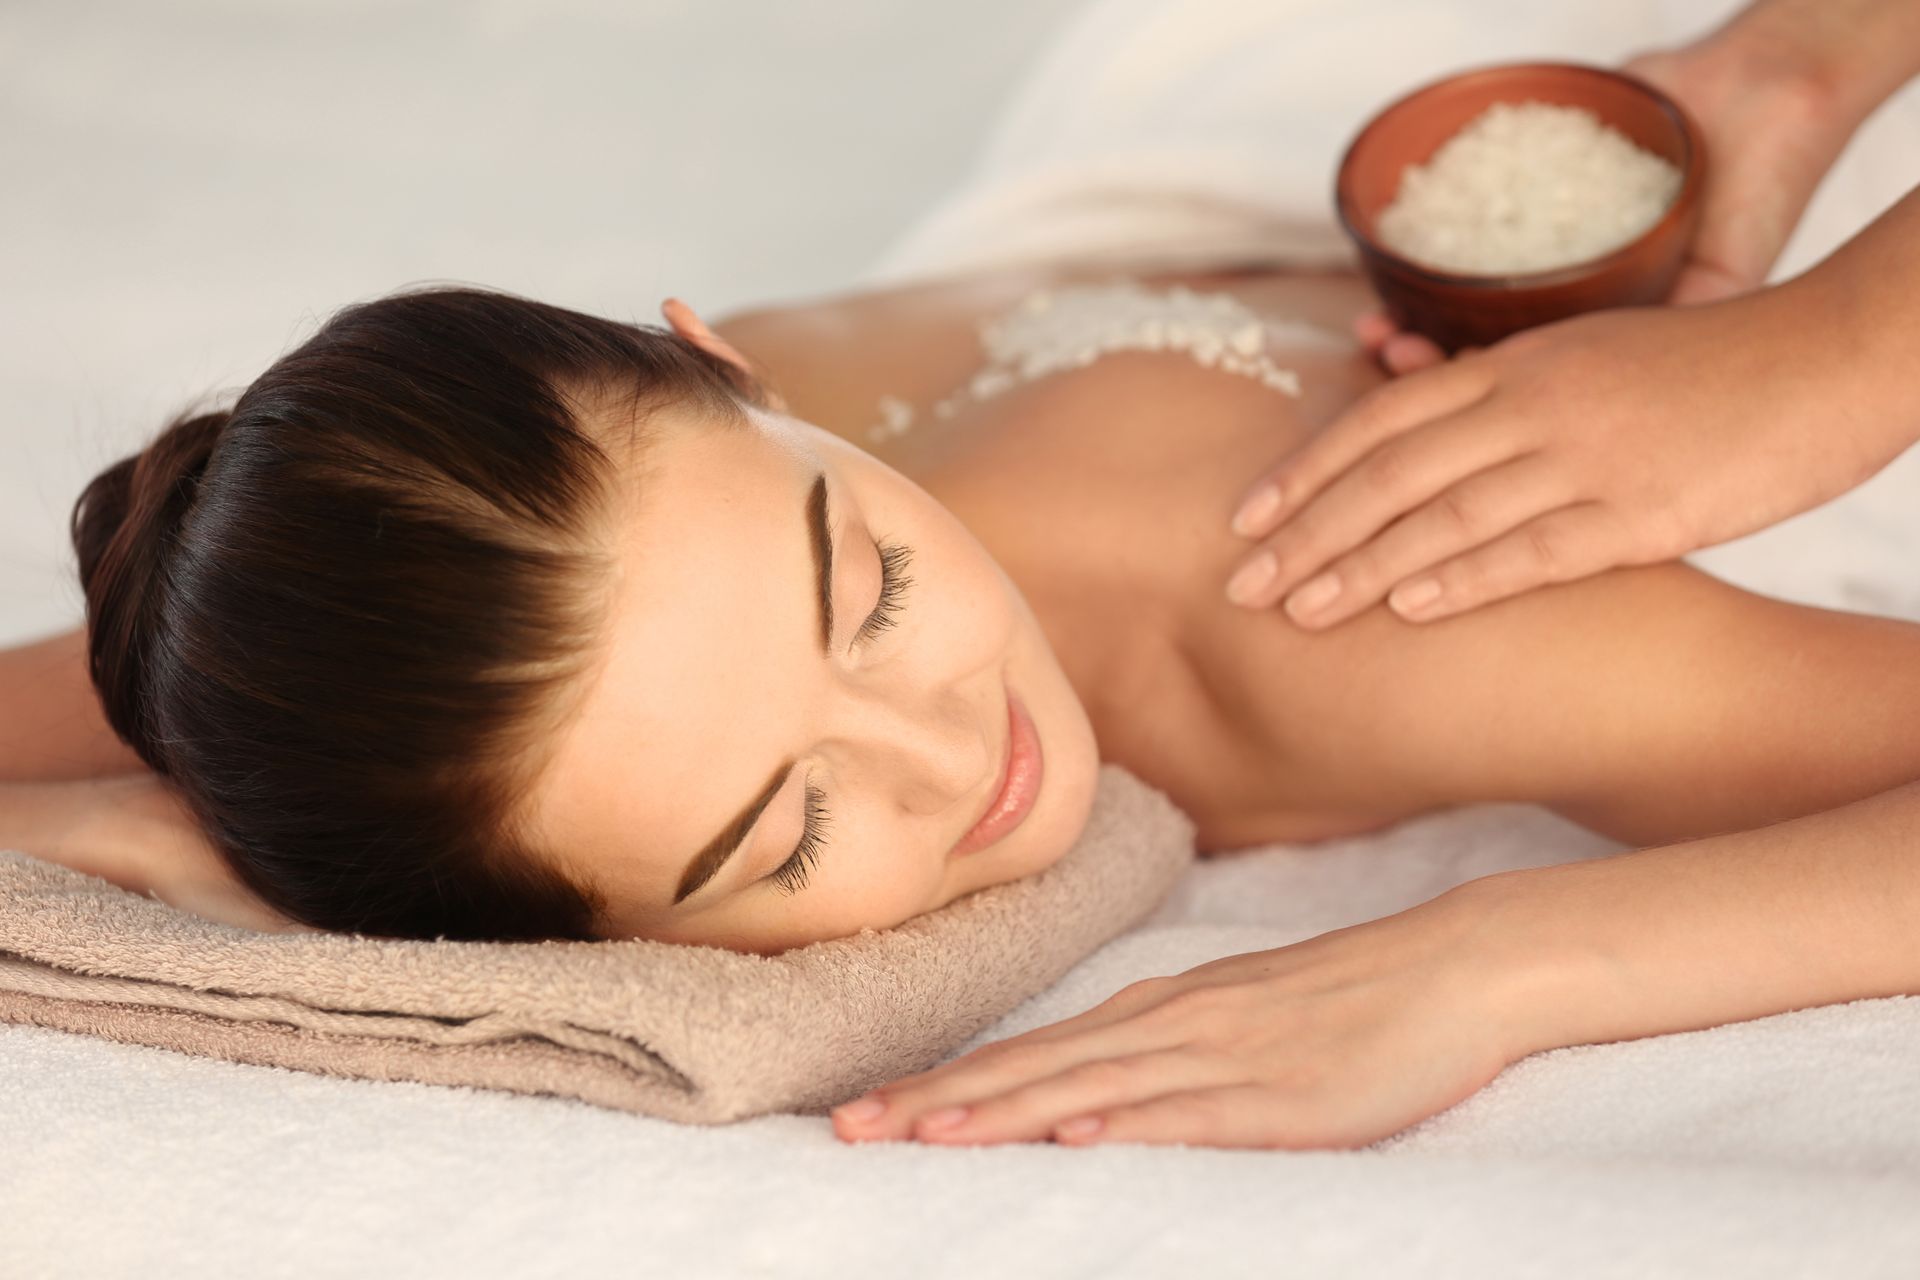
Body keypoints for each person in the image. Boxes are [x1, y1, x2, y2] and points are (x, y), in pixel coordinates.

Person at [4, 7, 1919, 1158]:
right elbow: (227, 653)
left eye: (875, 595)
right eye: (792, 825)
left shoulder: (1385, 632)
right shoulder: (664, 506)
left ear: (723, 367)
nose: (941, 744)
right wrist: (226, 829)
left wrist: (1501, 957)